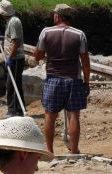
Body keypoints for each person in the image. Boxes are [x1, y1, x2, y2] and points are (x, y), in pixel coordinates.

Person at [33, 4, 91, 155]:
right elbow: (85, 62)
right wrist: (87, 81)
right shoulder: (79, 34)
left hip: (53, 78)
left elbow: (37, 56)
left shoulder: (46, 32)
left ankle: (49, 151)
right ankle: (74, 152)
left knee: (50, 116)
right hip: (73, 79)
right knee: (74, 115)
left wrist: (49, 55)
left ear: (57, 16)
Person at [0, 0, 26, 117]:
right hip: (14, 57)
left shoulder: (14, 22)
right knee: (14, 84)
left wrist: (10, 58)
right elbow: (12, 38)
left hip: (16, 58)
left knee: (12, 85)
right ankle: (18, 111)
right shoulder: (10, 21)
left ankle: (13, 112)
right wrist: (3, 38)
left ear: (4, 13)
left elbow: (16, 41)